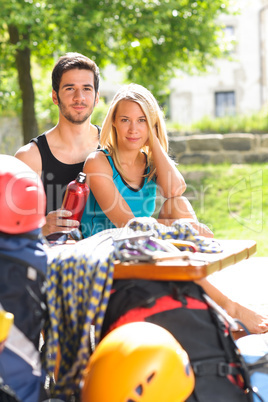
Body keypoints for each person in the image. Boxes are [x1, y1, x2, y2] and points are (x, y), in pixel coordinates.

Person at [81, 83, 268, 334]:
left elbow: (175, 191)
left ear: (152, 124)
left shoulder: (147, 162)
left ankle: (208, 307)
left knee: (177, 204)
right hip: (105, 247)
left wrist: (154, 141)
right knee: (172, 229)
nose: (133, 129)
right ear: (113, 121)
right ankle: (227, 308)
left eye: (142, 121)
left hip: (142, 241)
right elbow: (126, 224)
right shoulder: (97, 162)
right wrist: (180, 228)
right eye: (125, 119)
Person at [15, 52, 101, 236]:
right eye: (70, 88)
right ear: (55, 97)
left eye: (87, 88)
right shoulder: (30, 158)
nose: (79, 97)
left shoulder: (113, 145)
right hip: (52, 261)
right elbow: (11, 231)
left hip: (108, 259)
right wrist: (44, 228)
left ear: (97, 97)